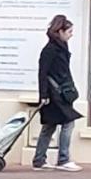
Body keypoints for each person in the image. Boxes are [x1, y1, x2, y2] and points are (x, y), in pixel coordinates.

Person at [33, 14, 82, 170]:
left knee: (50, 125)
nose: (71, 35)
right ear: (60, 31)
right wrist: (44, 95)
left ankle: (39, 159)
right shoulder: (50, 50)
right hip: (53, 95)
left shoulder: (61, 48)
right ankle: (63, 159)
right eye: (69, 32)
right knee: (68, 122)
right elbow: (42, 73)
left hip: (59, 94)